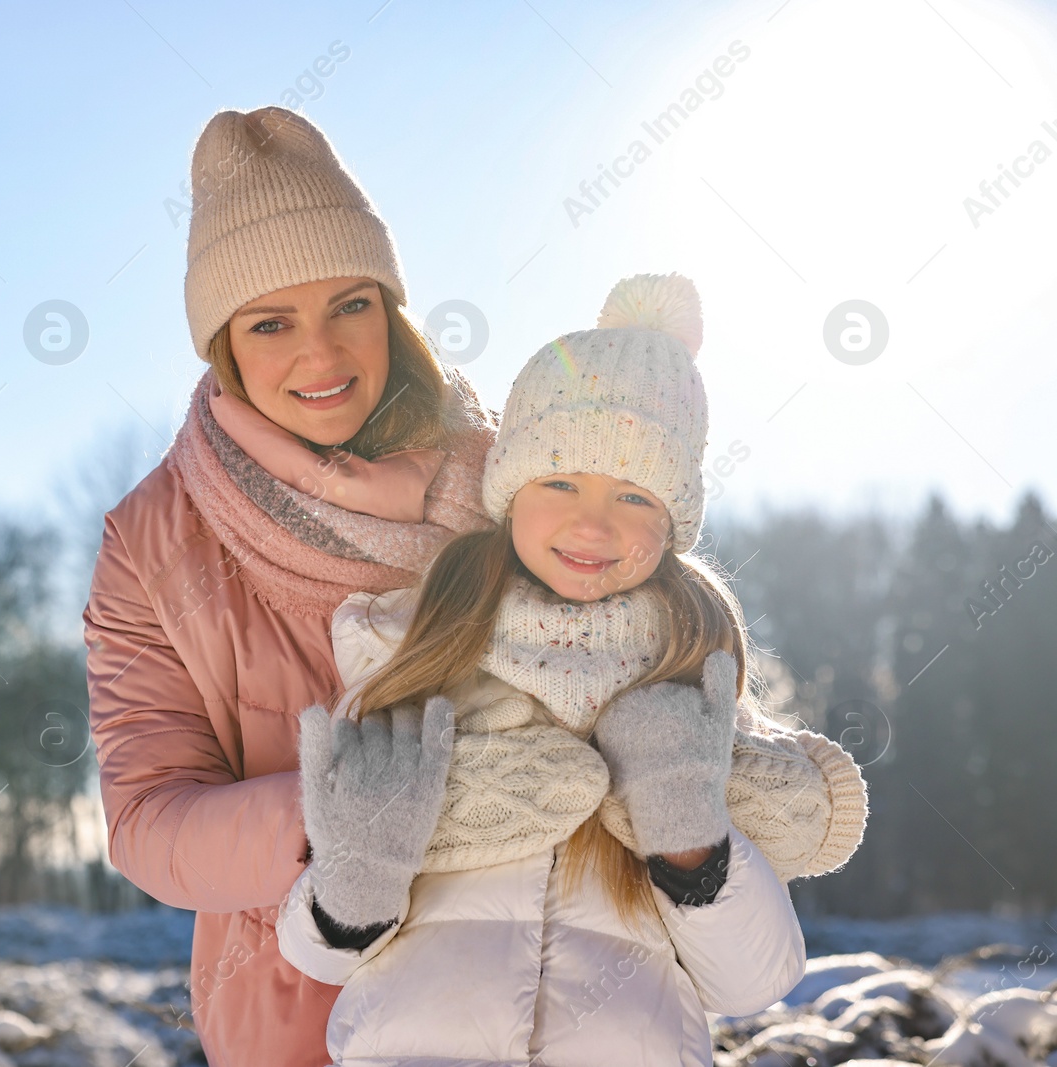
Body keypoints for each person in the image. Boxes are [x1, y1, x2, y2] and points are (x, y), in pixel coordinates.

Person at [82, 106, 861, 1066]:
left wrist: (739, 790)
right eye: (271, 321)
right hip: (294, 992)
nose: (320, 355)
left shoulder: (515, 480)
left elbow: (654, 667)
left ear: (391, 308)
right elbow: (150, 819)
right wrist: (371, 808)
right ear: (223, 344)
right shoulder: (154, 543)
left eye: (350, 305)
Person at [274, 273, 869, 1065]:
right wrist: (356, 879)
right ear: (508, 491)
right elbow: (318, 955)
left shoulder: (692, 685)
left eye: (634, 494)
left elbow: (754, 979)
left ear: (673, 520)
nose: (592, 520)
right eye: (559, 481)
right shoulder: (415, 663)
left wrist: (691, 841)